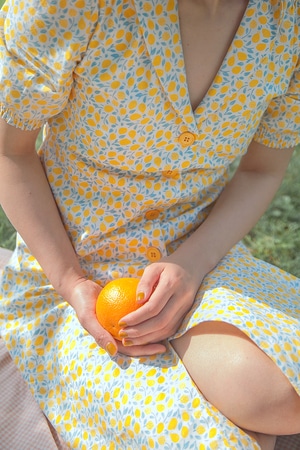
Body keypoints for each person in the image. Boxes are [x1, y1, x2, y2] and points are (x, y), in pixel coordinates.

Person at [0, 0, 299, 448]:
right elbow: (10, 151)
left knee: (281, 399)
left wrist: (193, 265)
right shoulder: (69, 6)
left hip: (203, 255)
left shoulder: (287, 20)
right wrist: (71, 283)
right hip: (80, 275)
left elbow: (262, 169)